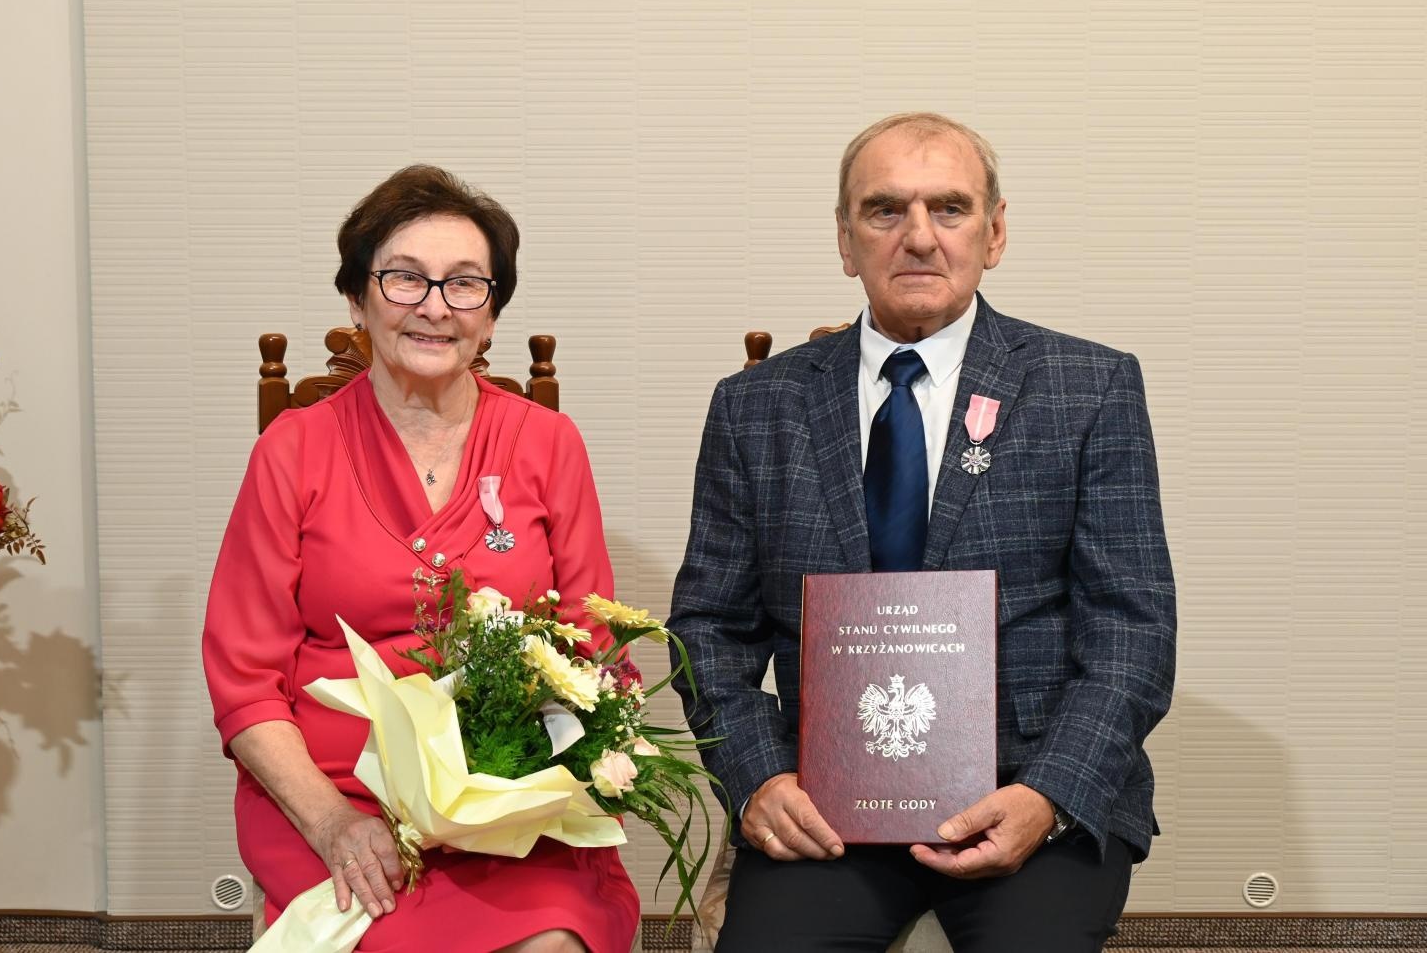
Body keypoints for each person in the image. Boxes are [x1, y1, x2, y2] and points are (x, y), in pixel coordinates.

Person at [667, 113, 1176, 952]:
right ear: (844, 239)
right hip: (824, 804)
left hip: (1026, 800)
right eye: (883, 211)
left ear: (995, 231)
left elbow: (1134, 633)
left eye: (949, 208)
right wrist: (757, 779)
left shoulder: (1088, 389)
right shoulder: (755, 407)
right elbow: (709, 630)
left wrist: (1047, 795)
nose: (918, 238)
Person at [203, 165, 639, 953]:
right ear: (357, 299)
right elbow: (243, 682)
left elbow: (592, 642)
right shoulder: (292, 451)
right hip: (338, 796)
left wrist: (543, 779)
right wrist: (333, 822)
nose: (435, 306)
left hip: (510, 804)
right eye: (405, 278)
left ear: (493, 315)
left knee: (552, 945)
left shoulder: (548, 444)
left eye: (465, 285)